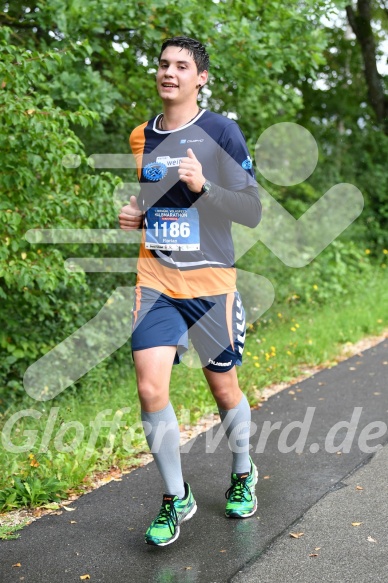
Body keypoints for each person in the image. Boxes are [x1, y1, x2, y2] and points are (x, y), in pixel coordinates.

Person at [118, 36, 262, 547]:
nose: (169, 72)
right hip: (156, 281)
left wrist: (206, 187)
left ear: (201, 78)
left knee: (224, 389)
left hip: (211, 284)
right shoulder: (141, 136)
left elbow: (251, 210)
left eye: (182, 66)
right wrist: (135, 214)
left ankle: (243, 471)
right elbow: (152, 198)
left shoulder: (222, 131)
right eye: (163, 64)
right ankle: (176, 496)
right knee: (150, 387)